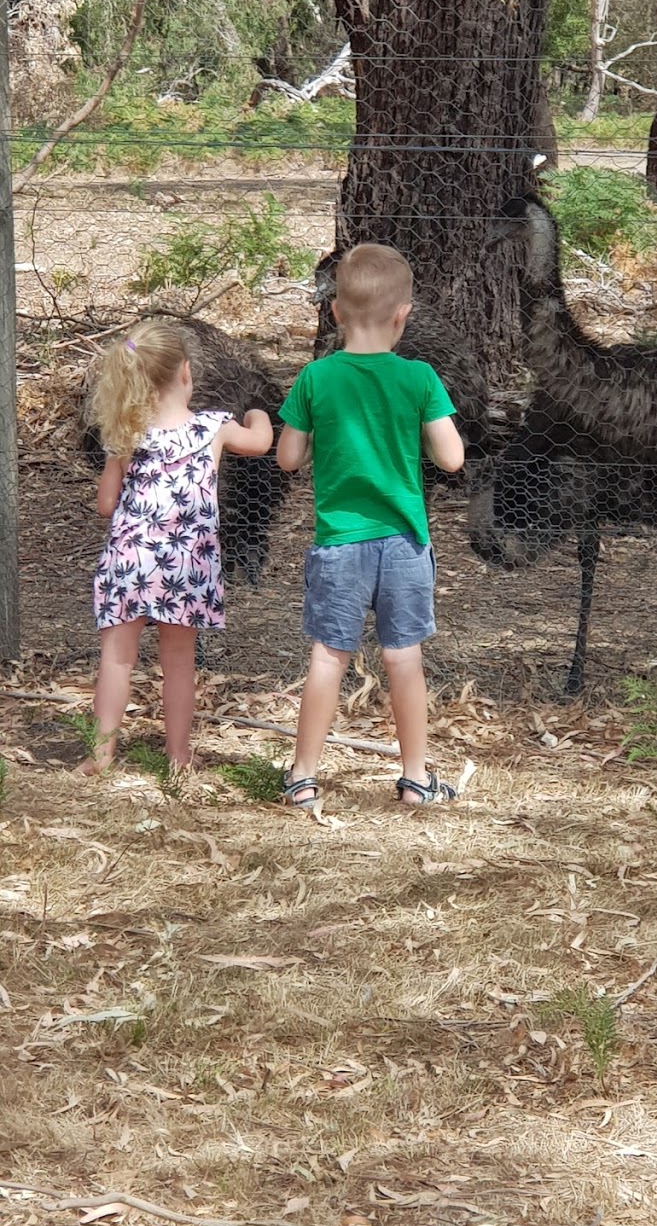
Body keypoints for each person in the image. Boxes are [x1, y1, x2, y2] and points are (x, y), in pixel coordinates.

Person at [276, 243, 464, 808]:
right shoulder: (420, 378)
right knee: (403, 658)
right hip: (404, 544)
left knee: (328, 655)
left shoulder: (316, 378)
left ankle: (303, 776)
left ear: (334, 311)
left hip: (339, 543)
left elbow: (287, 458)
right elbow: (452, 458)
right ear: (404, 315)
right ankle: (415, 779)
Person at [76, 320, 273, 775]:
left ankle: (100, 755)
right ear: (186, 373)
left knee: (117, 658)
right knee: (179, 662)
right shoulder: (213, 427)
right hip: (186, 564)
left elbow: (106, 504)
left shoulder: (125, 434)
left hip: (129, 562)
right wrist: (258, 412)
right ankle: (178, 757)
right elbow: (260, 442)